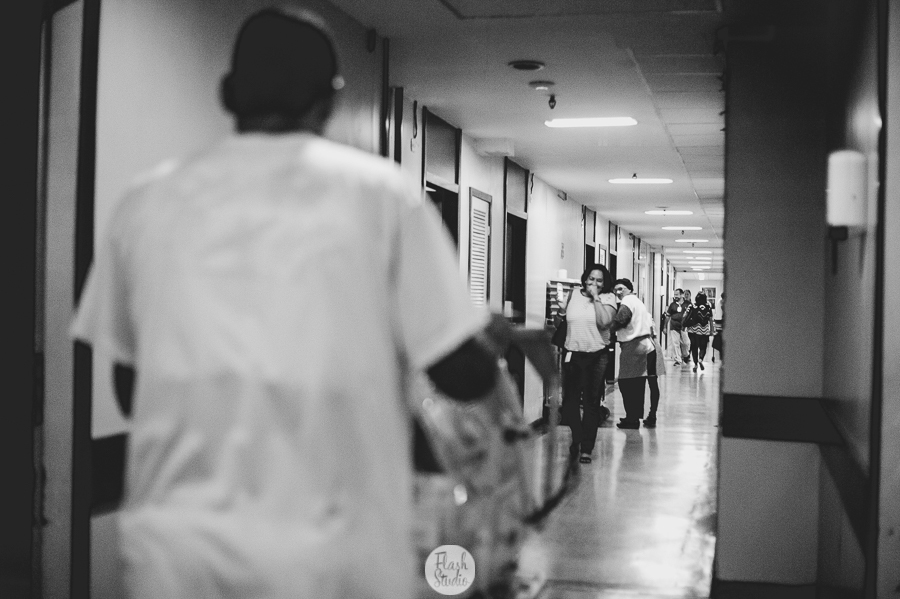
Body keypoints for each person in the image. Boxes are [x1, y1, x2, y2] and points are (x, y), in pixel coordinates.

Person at [69, 8, 504, 599]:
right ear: (329, 102)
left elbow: (130, 389)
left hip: (177, 557)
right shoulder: (385, 198)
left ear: (227, 93)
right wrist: (488, 346)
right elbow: (461, 371)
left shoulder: (143, 205)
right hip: (334, 555)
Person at [555, 264, 617, 464]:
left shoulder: (608, 298)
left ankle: (586, 449)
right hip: (572, 354)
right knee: (570, 404)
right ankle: (577, 437)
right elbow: (561, 323)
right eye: (591, 279)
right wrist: (561, 313)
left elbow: (604, 323)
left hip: (597, 356)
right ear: (585, 278)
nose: (594, 283)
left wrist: (596, 298)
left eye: (599, 280)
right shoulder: (573, 294)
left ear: (604, 283)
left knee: (590, 403)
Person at [610, 279, 656, 429]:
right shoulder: (638, 302)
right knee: (636, 384)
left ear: (629, 289)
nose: (618, 292)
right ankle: (633, 417)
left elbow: (621, 319)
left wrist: (605, 329)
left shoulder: (628, 301)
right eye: (615, 289)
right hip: (643, 346)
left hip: (634, 347)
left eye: (621, 289)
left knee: (626, 383)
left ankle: (632, 419)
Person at [684, 291, 714, 372]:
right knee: (703, 347)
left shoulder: (692, 305)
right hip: (704, 330)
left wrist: (684, 325)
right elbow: (711, 319)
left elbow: (685, 316)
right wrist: (712, 330)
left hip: (692, 330)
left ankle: (696, 364)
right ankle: (701, 359)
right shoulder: (708, 306)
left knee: (694, 347)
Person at [664, 288, 690, 366]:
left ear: (682, 295)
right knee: (676, 343)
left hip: (684, 327)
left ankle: (686, 355)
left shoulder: (688, 304)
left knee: (685, 343)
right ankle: (678, 360)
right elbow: (668, 316)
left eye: (677, 294)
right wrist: (665, 327)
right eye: (674, 294)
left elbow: (692, 315)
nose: (675, 296)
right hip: (674, 326)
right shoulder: (672, 305)